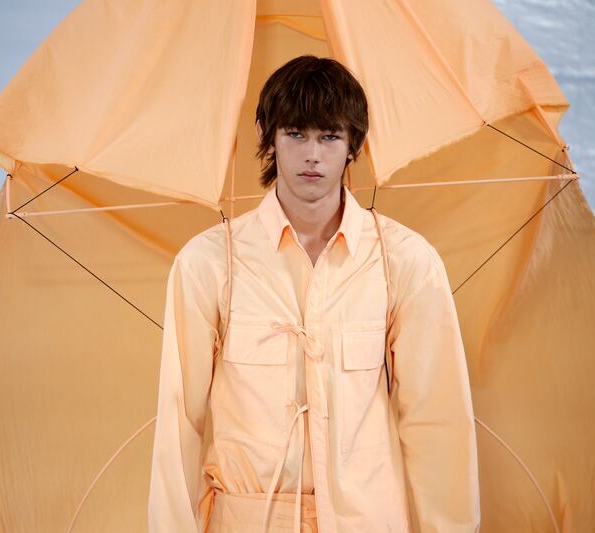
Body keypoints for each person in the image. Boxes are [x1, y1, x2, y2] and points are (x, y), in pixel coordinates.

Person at [148, 55, 480, 533]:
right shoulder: (208, 263)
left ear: (354, 145)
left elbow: (437, 421)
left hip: (367, 520)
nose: (312, 155)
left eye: (330, 136)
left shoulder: (404, 261)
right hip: (247, 519)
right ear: (267, 133)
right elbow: (178, 423)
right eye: (296, 133)